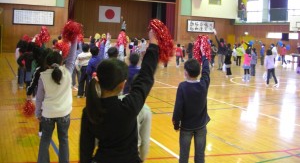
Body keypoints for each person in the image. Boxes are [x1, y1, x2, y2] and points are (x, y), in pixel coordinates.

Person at [79, 30, 159, 163]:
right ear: (123, 85)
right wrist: (154, 44)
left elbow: (85, 152)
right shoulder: (129, 107)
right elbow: (146, 76)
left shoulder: (89, 112)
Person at [35, 39, 77, 163]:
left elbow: (39, 98)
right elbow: (72, 56)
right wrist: (73, 39)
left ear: (46, 64)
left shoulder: (43, 76)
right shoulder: (68, 71)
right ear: (61, 61)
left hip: (47, 114)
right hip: (64, 113)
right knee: (63, 140)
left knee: (45, 140)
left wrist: (37, 113)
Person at [172, 43, 210, 163]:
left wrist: (176, 124)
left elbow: (178, 108)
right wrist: (204, 56)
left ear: (186, 72)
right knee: (200, 155)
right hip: (201, 126)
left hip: (186, 127)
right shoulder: (203, 84)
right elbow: (206, 71)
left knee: (184, 156)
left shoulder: (183, 87)